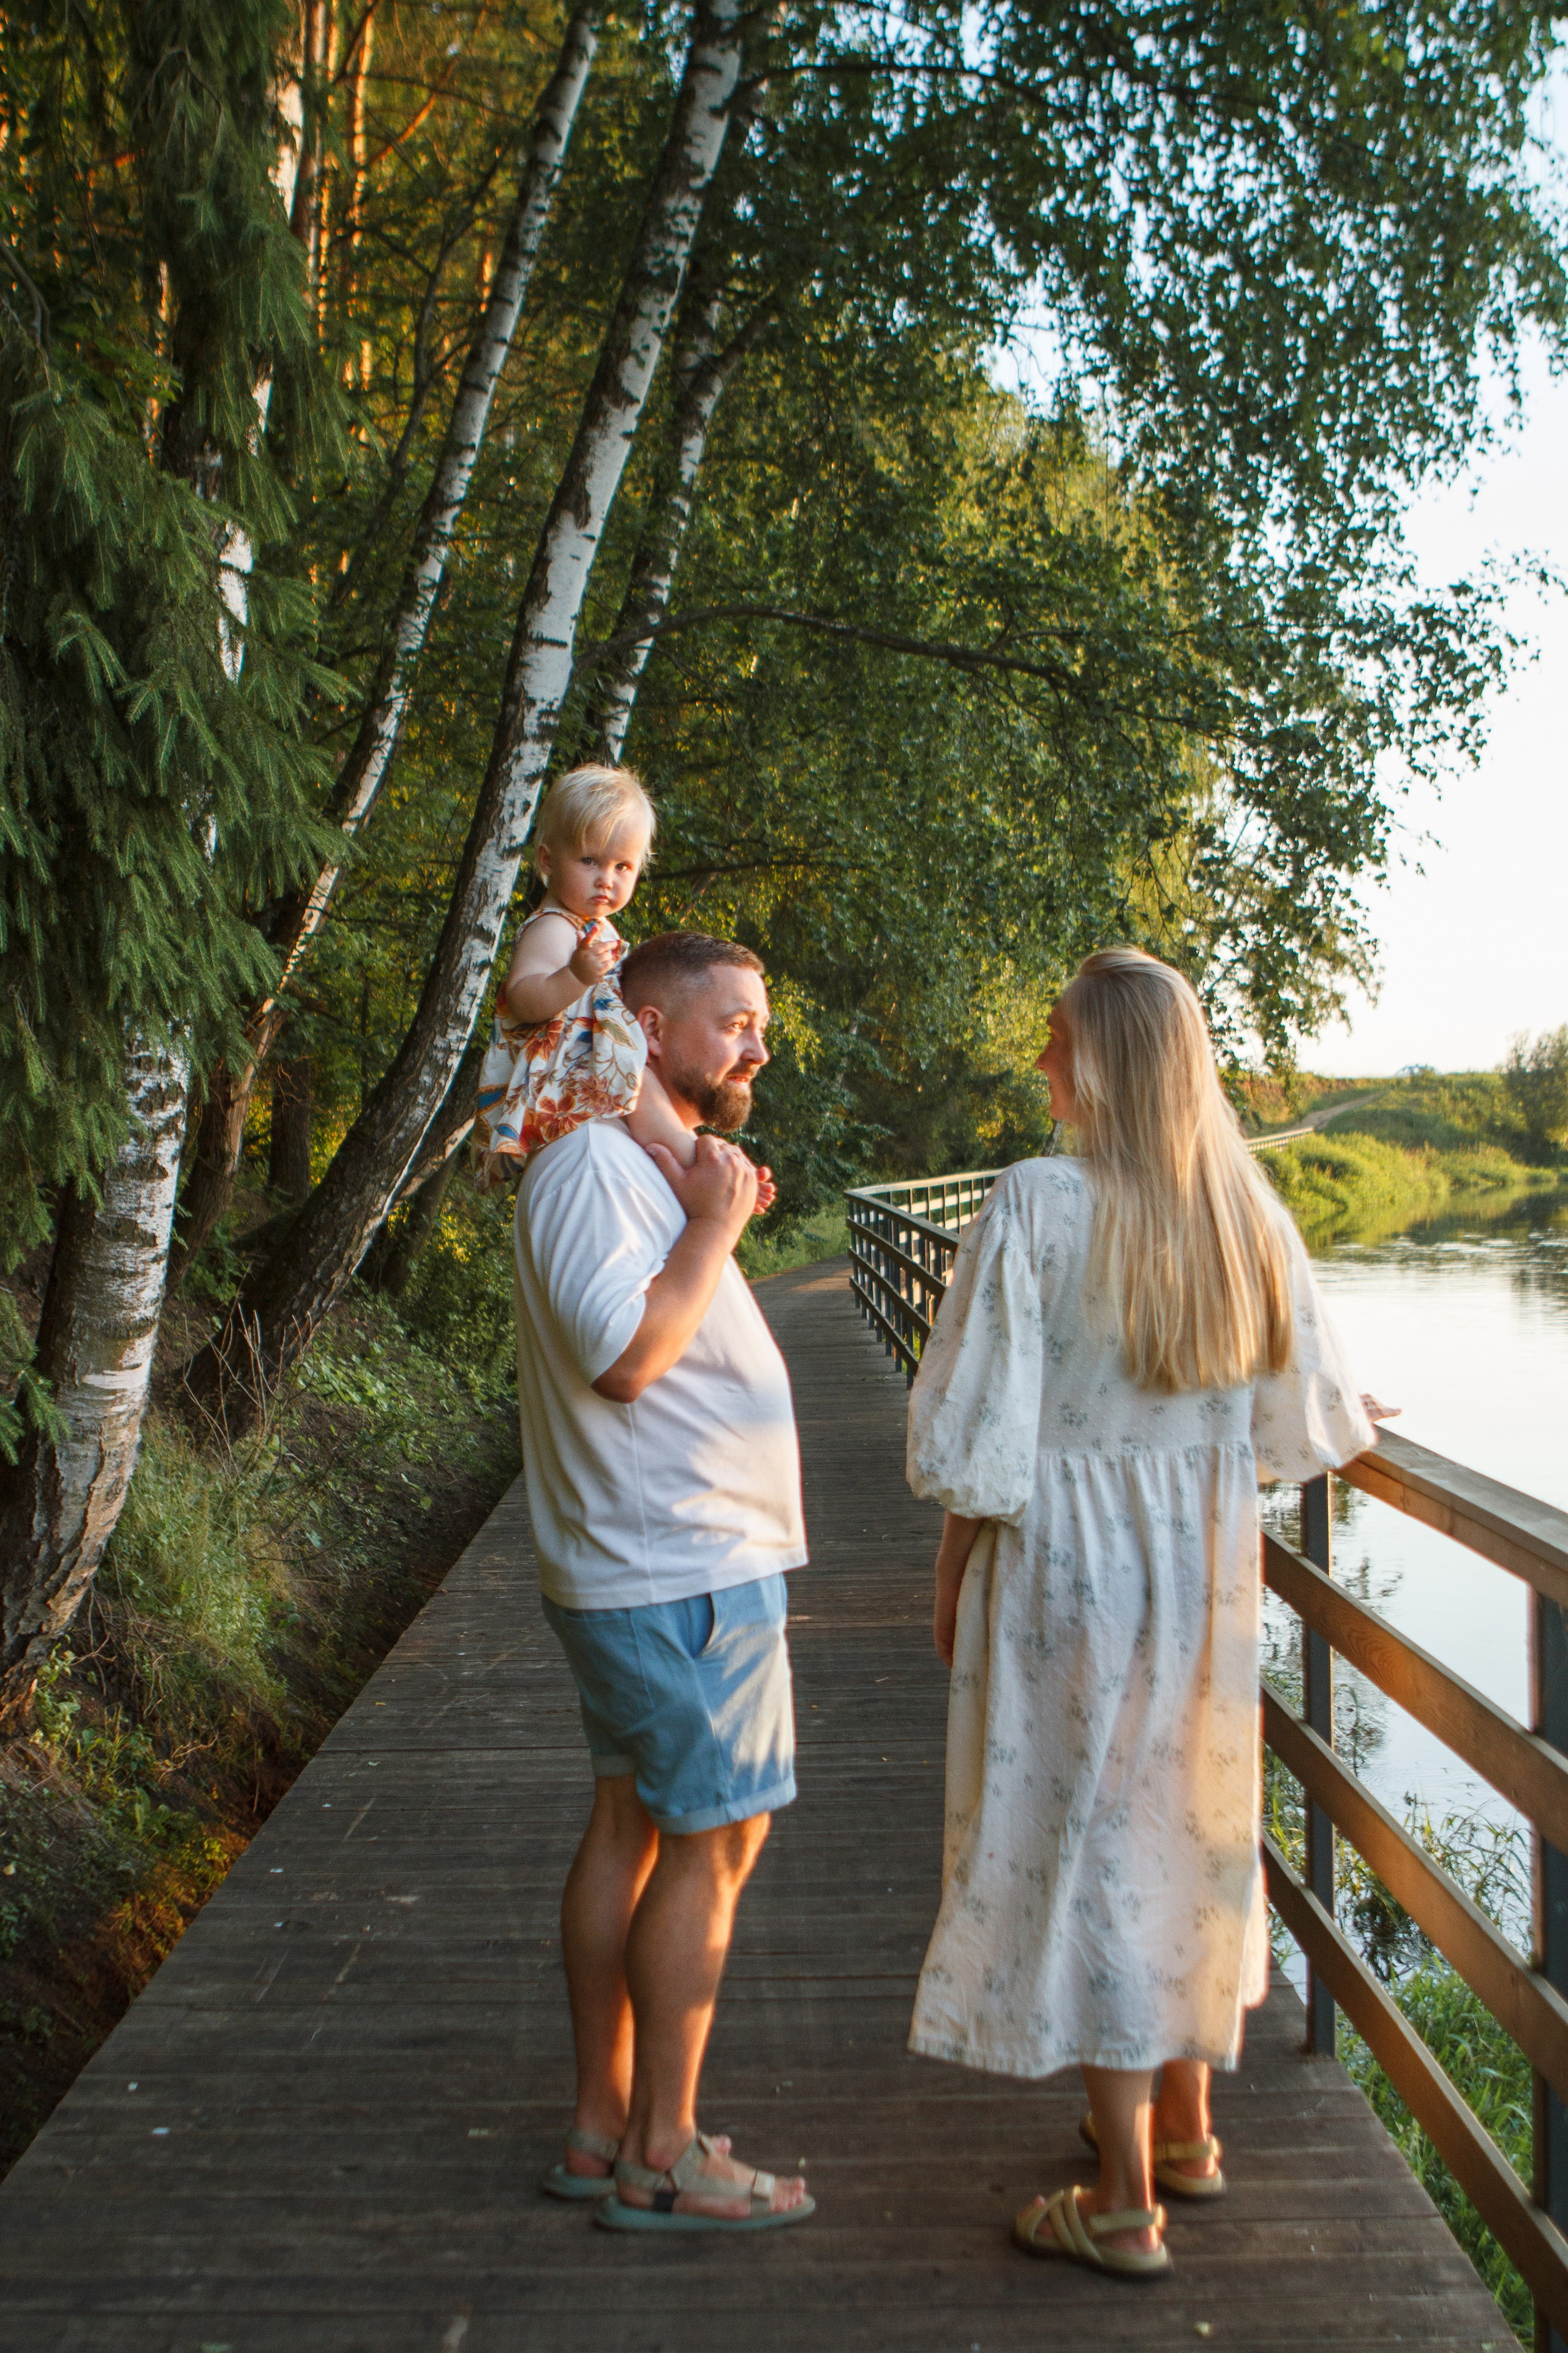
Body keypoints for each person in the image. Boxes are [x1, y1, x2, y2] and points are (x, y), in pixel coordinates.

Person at [904, 946, 1389, 2284]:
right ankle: (1184, 2130)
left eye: (1057, 1039)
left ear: (1106, 1063)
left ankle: (1121, 2203)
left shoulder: (1036, 1202)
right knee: (1182, 1824)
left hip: (1063, 1566)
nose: (1041, 1061)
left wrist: (946, 1579)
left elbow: (980, 1433)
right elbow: (1305, 1421)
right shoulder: (1242, 1210)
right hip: (1201, 1571)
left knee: (1086, 1844)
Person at [512, 929, 815, 2235]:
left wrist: (704, 1211)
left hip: (664, 1561)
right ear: (644, 1021)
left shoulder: (637, 1157)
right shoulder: (591, 1165)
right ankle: (664, 2153)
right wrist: (714, 1227)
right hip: (675, 1570)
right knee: (709, 1844)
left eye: (761, 1026)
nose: (757, 1047)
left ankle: (604, 2129)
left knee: (636, 1829)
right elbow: (625, 1355)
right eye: (734, 1021)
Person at [475, 763, 689, 1179]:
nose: (606, 880)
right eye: (590, 861)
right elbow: (524, 998)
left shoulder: (598, 927)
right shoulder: (553, 926)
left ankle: (679, 1166)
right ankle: (692, 1161)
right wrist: (575, 975)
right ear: (548, 860)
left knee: (646, 1089)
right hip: (559, 1076)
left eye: (623, 866)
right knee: (643, 1088)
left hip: (588, 1071)